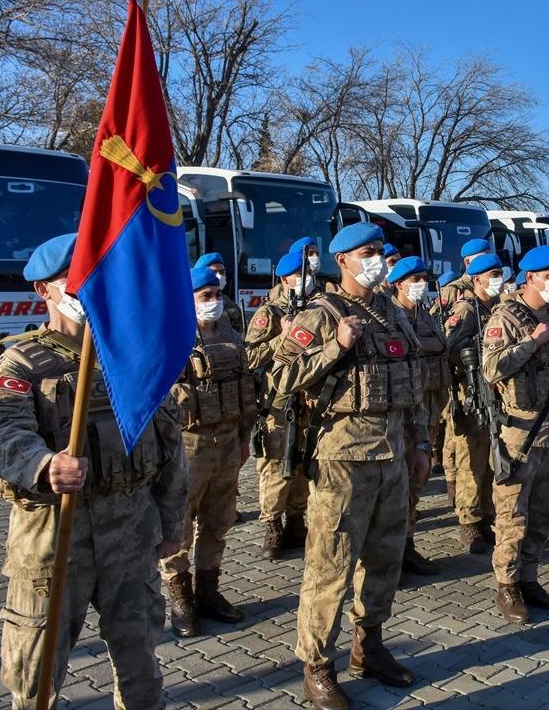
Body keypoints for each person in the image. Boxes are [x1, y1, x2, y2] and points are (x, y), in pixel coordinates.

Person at [0, 233, 187, 710]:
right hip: (56, 537)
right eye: (73, 280)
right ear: (43, 290)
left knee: (140, 658)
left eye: (97, 277)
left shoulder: (132, 356)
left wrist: (172, 523)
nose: (88, 288)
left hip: (131, 530)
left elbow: (170, 445)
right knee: (37, 668)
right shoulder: (23, 362)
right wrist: (43, 463)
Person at [270, 222, 426, 710]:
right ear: (342, 260)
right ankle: (317, 665)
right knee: (330, 568)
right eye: (368, 252)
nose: (377, 259)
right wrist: (334, 346)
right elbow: (277, 381)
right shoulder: (321, 314)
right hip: (342, 460)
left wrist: (420, 443)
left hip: (392, 456)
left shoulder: (391, 312)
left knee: (384, 559)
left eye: (380, 250)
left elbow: (413, 381)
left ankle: (369, 645)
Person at [481, 245, 549, 623]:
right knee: (512, 517)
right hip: (520, 435)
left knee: (545, 511)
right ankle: (507, 586)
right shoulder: (505, 317)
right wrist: (533, 342)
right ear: (531, 278)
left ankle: (530, 577)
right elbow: (491, 369)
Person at [162, 266, 256, 637]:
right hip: (188, 446)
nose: (214, 302)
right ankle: (180, 598)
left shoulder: (232, 337)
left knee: (218, 522)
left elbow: (247, 391)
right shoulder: (171, 339)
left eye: (216, 295)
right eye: (206, 296)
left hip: (228, 442)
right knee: (179, 525)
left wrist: (245, 438)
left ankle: (208, 591)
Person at [245, 248, 317, 560]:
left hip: (309, 398)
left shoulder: (318, 308)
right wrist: (281, 336)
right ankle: (272, 525)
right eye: (298, 275)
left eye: (308, 274)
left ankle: (297, 520)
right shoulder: (270, 313)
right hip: (277, 401)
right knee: (275, 464)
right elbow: (249, 357)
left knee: (302, 460)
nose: (305, 279)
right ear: (284, 279)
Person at [388, 255, 449, 576]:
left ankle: (407, 544)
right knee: (393, 486)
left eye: (424, 278)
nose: (421, 285)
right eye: (415, 280)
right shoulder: (389, 315)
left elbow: (441, 344)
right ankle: (389, 554)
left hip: (426, 408)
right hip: (399, 411)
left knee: (416, 479)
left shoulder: (425, 314)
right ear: (398, 284)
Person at [444, 252, 505, 552]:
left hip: (495, 391)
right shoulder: (466, 309)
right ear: (477, 279)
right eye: (493, 275)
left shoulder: (499, 307)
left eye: (500, 273)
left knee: (492, 456)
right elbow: (450, 347)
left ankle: (486, 513)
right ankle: (469, 520)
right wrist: (475, 352)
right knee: (471, 459)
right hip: (471, 391)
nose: (498, 280)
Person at [194, 252, 243, 333]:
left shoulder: (230, 305)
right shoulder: (186, 307)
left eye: (222, 272)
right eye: (213, 272)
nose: (219, 276)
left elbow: (238, 334)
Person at [439, 239, 492, 308]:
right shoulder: (454, 289)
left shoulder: (490, 285)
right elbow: (434, 314)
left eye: (489, 259)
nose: (488, 263)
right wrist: (458, 308)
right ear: (467, 263)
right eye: (481, 260)